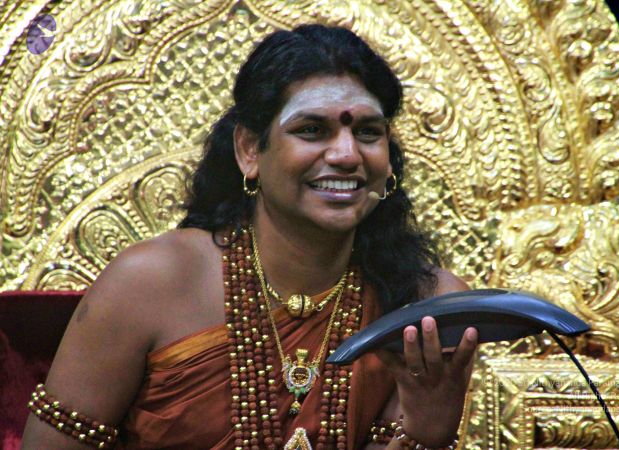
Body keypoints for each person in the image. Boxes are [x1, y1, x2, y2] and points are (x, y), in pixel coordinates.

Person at [21, 24, 478, 449]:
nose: (345, 154)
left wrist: (424, 436)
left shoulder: (427, 308)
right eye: (312, 130)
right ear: (248, 151)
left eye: (368, 132)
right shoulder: (149, 284)